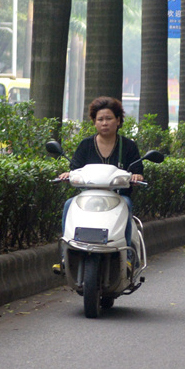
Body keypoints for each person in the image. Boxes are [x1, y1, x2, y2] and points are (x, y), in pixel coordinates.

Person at [56, 96, 143, 272]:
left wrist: (137, 176)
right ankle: (66, 256)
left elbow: (138, 170)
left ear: (118, 121)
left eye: (109, 118)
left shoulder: (128, 146)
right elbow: (75, 169)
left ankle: (126, 257)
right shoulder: (85, 145)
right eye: (100, 119)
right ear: (94, 122)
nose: (104, 123)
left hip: (118, 197)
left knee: (126, 204)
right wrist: (68, 174)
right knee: (68, 204)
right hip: (88, 197)